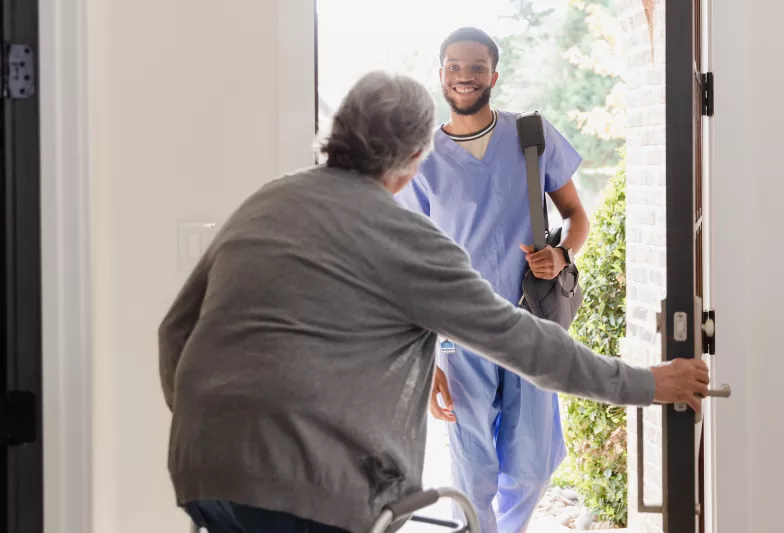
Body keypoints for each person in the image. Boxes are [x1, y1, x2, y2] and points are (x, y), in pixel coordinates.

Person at [159, 70, 709, 533]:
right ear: (419, 155)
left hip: (203, 467)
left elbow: (175, 331)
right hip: (308, 483)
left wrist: (214, 425)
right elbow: (523, 341)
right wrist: (647, 383)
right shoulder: (401, 237)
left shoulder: (269, 199)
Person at [394, 27, 592, 533]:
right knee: (472, 465)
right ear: (440, 75)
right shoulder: (420, 158)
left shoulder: (532, 136)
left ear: (494, 76)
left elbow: (575, 215)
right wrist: (421, 355)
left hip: (530, 324)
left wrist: (562, 253)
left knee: (531, 465)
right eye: (454, 67)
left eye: (477, 67)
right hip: (458, 333)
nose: (465, 77)